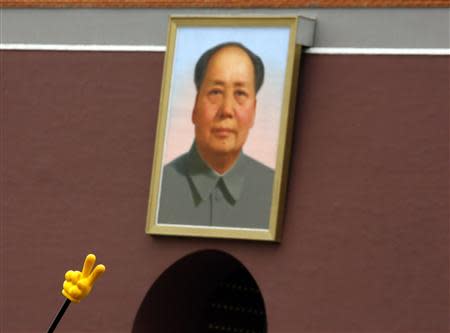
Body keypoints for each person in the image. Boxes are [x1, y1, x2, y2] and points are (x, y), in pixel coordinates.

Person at [158, 42, 274, 229]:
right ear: (195, 106)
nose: (226, 110)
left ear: (254, 111)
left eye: (240, 93)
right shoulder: (158, 189)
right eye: (215, 92)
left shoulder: (274, 192)